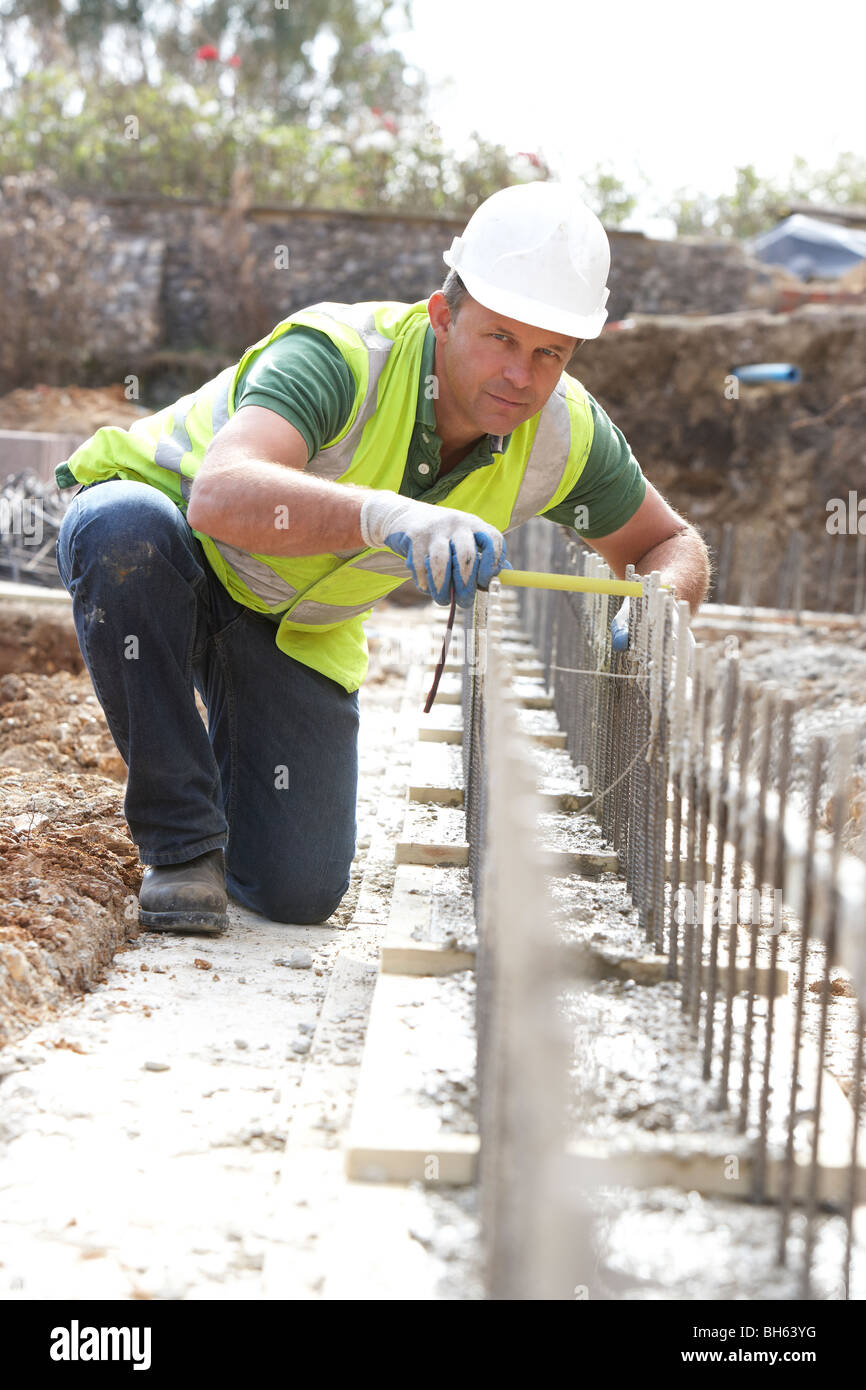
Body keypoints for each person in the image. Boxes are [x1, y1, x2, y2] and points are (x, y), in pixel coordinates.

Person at [55, 181, 709, 934]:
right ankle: (179, 844)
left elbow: (672, 542)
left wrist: (654, 605)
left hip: (288, 621)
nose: (520, 377)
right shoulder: (340, 358)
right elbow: (221, 495)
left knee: (298, 890)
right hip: (177, 546)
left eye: (548, 353)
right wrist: (389, 515)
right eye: (499, 337)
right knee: (123, 531)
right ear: (443, 314)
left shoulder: (566, 436)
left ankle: (229, 771)